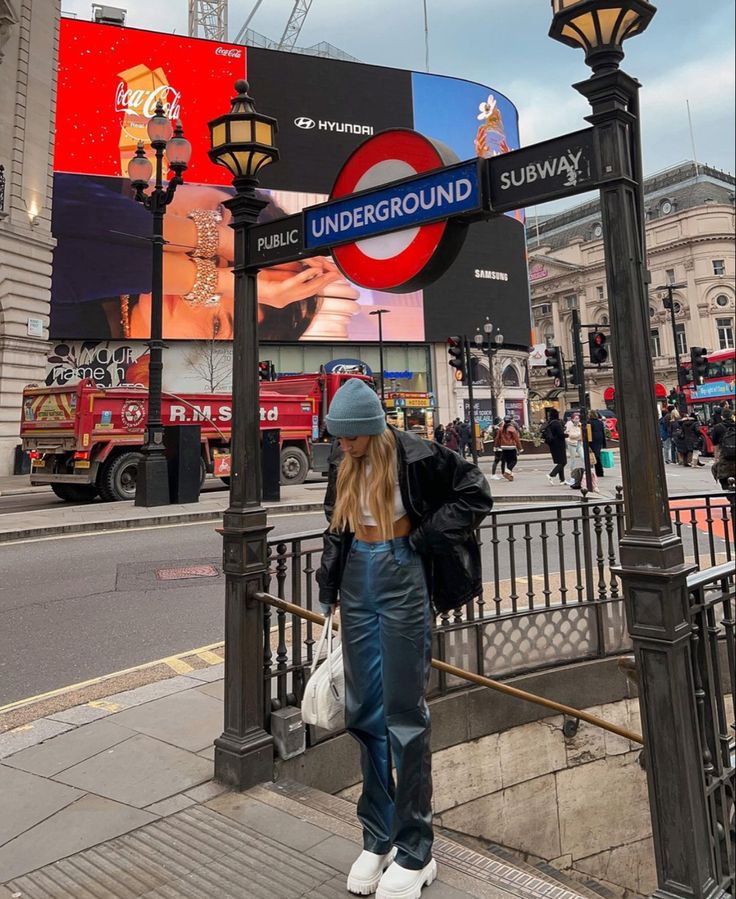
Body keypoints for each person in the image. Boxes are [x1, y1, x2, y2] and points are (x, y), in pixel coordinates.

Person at [316, 379, 492, 899]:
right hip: (358, 581)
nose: (341, 445)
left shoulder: (417, 455)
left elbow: (475, 492)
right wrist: (329, 588)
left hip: (401, 574)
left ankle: (416, 849)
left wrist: (421, 538)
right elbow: (337, 528)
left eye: (349, 437)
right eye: (338, 437)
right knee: (363, 710)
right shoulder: (342, 461)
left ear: (370, 429)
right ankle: (378, 836)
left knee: (405, 715)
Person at [710, 407, 735, 489]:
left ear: (722, 417)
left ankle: (731, 499)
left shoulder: (717, 428)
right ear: (732, 416)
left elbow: (716, 446)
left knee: (724, 481)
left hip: (725, 459)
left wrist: (716, 459)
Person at [494, 415, 522, 481]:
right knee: (514, 461)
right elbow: (516, 439)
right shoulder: (512, 428)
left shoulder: (501, 428)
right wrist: (520, 447)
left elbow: (497, 438)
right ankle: (507, 472)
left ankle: (510, 475)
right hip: (511, 446)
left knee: (509, 461)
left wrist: (496, 446)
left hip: (503, 447)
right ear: (510, 421)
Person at [543, 409, 567, 484]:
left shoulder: (549, 423)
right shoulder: (557, 423)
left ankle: (562, 480)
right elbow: (560, 434)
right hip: (559, 444)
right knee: (563, 462)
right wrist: (568, 435)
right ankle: (551, 474)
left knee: (560, 461)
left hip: (552, 444)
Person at [565, 413, 584, 489]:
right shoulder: (568, 424)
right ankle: (572, 477)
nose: (577, 420)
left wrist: (577, 435)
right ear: (572, 419)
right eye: (575, 418)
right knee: (572, 460)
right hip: (571, 444)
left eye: (578, 418)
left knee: (583, 457)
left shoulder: (580, 424)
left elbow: (582, 433)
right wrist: (577, 435)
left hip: (579, 443)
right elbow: (569, 435)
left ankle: (586, 474)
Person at [588, 410, 607, 477]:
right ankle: (600, 472)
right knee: (597, 455)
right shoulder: (600, 422)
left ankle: (595, 472)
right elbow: (603, 432)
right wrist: (604, 443)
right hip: (599, 440)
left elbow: (588, 433)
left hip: (592, 440)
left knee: (593, 456)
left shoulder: (589, 423)